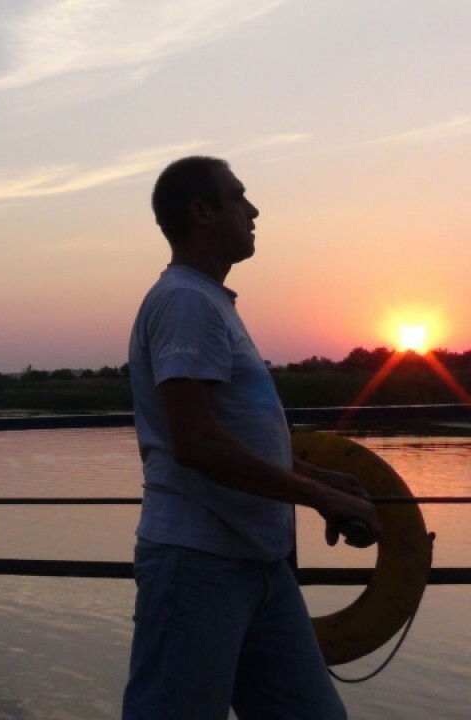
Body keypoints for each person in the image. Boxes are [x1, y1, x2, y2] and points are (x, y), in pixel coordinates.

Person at [121, 156, 381, 719]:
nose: (254, 209)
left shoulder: (209, 302)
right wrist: (321, 499)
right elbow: (195, 442)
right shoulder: (186, 302)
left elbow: (234, 436)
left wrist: (316, 477)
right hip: (198, 567)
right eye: (240, 197)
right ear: (203, 212)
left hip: (258, 567)